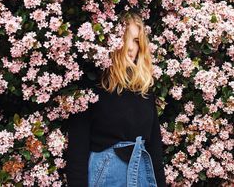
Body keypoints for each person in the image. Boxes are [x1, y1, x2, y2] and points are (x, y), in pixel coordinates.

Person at [65, 12, 167, 187]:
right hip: (106, 178)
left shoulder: (144, 90)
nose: (131, 48)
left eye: (136, 40)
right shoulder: (92, 88)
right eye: (125, 39)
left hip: (142, 176)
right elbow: (77, 152)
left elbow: (155, 150)